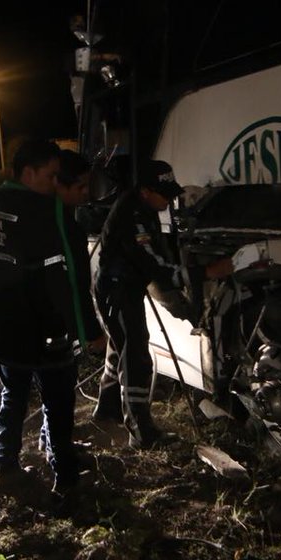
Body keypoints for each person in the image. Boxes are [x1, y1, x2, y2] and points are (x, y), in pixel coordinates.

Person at [0, 139, 82, 498]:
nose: (54, 183)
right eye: (50, 175)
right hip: (43, 329)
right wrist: (81, 329)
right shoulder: (45, 211)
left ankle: (6, 468)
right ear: (28, 173)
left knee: (13, 396)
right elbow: (65, 280)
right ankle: (66, 480)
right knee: (58, 403)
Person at [92, 160, 232, 448]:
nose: (169, 200)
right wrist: (207, 273)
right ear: (145, 191)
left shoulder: (144, 207)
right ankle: (141, 432)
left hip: (121, 286)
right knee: (136, 357)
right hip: (117, 290)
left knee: (119, 349)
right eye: (164, 194)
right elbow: (155, 267)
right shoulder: (134, 216)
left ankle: (107, 410)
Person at [38, 149, 106, 453]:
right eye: (79, 187)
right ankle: (61, 460)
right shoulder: (62, 228)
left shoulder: (53, 217)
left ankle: (51, 440)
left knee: (53, 392)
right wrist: (90, 332)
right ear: (59, 185)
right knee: (59, 391)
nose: (86, 193)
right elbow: (76, 287)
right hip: (55, 327)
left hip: (44, 324)